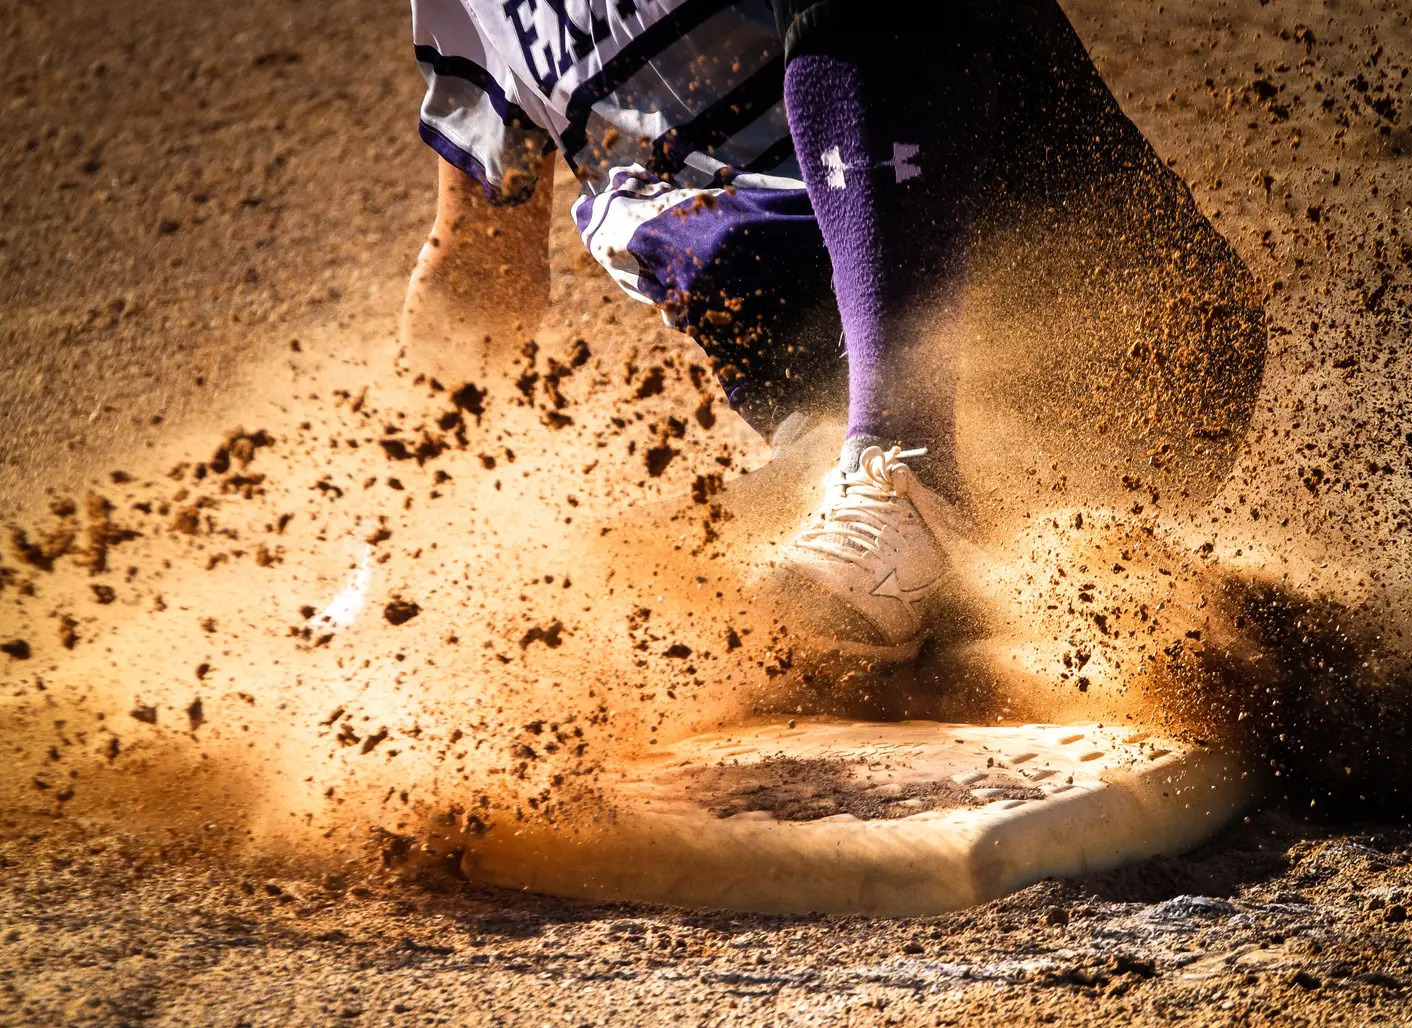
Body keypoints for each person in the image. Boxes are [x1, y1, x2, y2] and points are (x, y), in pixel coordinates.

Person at [406, 0, 997, 660]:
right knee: (606, 597)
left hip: (1005, 292)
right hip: (824, 430)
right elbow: (479, 262)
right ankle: (899, 518)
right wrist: (410, 534)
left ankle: (914, 468)